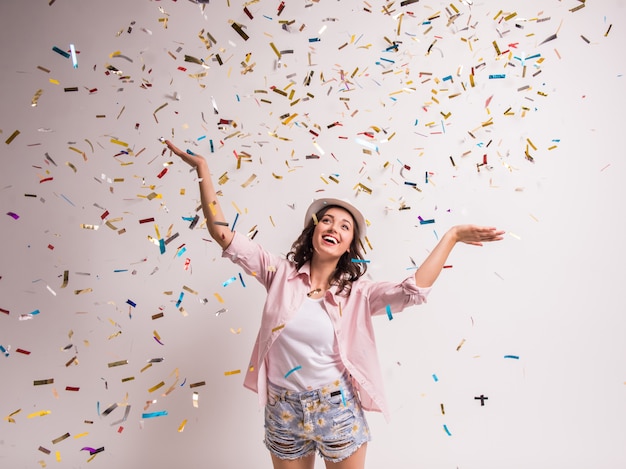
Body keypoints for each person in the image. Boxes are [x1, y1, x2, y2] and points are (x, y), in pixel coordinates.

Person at [164, 140, 504, 469]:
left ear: (348, 246)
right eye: (327, 220)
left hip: (336, 408)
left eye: (345, 227)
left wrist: (452, 237)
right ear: (313, 231)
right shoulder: (278, 274)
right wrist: (203, 170)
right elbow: (223, 234)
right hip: (283, 410)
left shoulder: (359, 293)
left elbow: (413, 291)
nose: (334, 228)